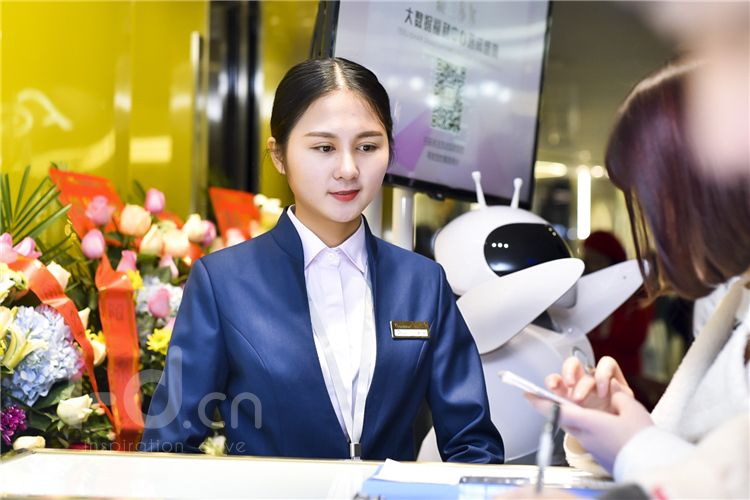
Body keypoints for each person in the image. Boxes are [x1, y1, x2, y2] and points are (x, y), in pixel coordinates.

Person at [140, 57, 504, 463]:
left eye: (368, 147)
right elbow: (169, 447)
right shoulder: (224, 281)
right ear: (279, 155)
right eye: (324, 148)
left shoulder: (422, 282)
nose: (348, 169)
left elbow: (474, 445)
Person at [527, 62, 750, 498]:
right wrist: (616, 423)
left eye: (655, 202)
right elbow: (698, 463)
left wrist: (634, 441)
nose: (654, 227)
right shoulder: (735, 302)